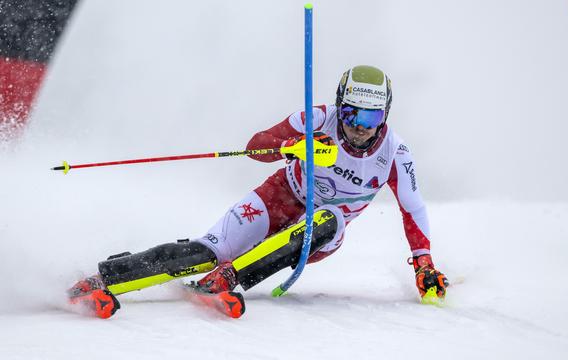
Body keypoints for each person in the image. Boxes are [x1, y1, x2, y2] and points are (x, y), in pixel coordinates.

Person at [68, 65, 449, 319]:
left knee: (329, 217)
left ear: (385, 114)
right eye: (351, 114)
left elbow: (412, 208)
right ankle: (102, 279)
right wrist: (292, 146)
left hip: (321, 232)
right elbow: (255, 146)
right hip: (279, 196)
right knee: (205, 252)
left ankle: (226, 280)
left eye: (371, 117)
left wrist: (424, 266)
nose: (360, 128)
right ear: (339, 106)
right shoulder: (317, 118)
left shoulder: (395, 153)